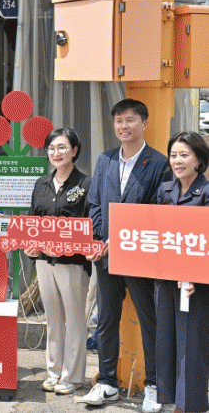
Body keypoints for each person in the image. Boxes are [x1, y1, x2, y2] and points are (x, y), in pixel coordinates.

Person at [83, 98, 167, 412]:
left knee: (150, 320)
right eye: (119, 120)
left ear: (144, 123)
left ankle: (155, 386)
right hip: (106, 256)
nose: (123, 126)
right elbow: (95, 203)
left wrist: (119, 239)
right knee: (107, 319)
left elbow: (158, 211)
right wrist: (98, 240)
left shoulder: (159, 163)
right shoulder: (105, 159)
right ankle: (107, 383)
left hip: (140, 256)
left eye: (130, 120)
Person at [22, 128, 91, 395]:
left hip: (72, 262)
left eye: (62, 147)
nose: (56, 153)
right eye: (51, 148)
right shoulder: (41, 183)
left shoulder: (85, 184)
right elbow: (32, 219)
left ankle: (72, 376)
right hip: (43, 261)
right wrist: (29, 245)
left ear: (74, 151)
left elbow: (89, 223)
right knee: (53, 318)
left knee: (74, 319)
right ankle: (53, 372)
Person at [154, 131, 209, 413]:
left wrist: (196, 275)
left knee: (191, 343)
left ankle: (191, 405)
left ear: (198, 160)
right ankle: (174, 400)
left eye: (184, 155)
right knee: (167, 340)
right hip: (165, 279)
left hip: (194, 284)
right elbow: (153, 229)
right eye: (173, 155)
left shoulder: (207, 192)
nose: (177, 160)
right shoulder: (165, 190)